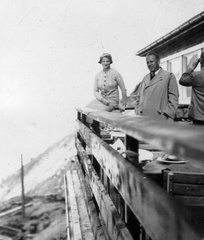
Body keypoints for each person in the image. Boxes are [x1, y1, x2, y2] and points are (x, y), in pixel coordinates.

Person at [135, 51, 179, 121]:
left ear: (158, 61)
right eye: (147, 62)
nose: (149, 64)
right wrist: (138, 111)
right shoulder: (145, 78)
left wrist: (170, 117)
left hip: (160, 119)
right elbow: (138, 98)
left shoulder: (168, 76)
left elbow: (173, 99)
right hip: (144, 119)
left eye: (152, 61)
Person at [179, 52, 204, 125]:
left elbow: (182, 80)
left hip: (198, 116)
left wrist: (191, 67)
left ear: (201, 61)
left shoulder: (196, 75)